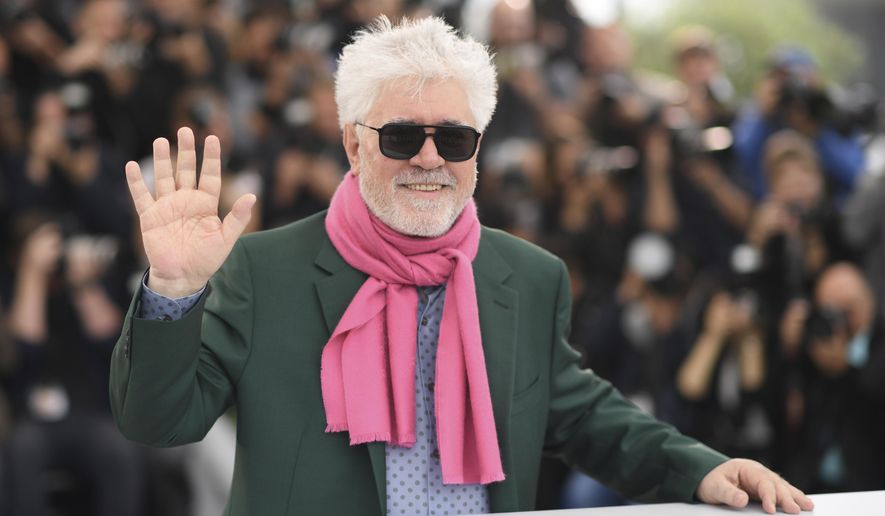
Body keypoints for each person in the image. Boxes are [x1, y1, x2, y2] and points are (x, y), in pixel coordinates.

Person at [110, 16, 813, 515]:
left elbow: (583, 418)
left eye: (453, 137)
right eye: (400, 136)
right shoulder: (263, 269)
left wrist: (707, 469)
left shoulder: (529, 276)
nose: (427, 157)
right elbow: (157, 422)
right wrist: (174, 290)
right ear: (352, 144)